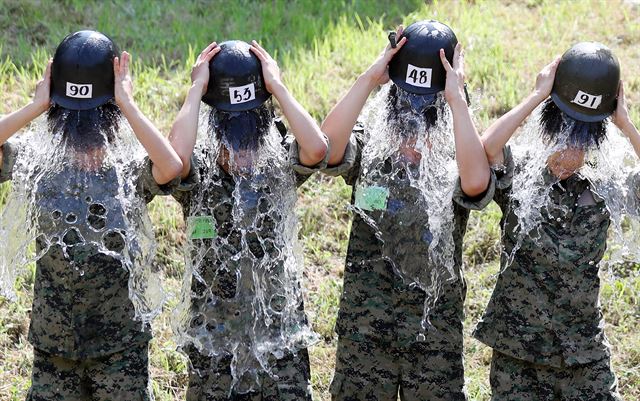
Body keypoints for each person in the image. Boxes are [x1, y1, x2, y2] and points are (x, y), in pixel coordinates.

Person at [0, 30, 183, 400]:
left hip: (120, 347)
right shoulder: (36, 160)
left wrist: (129, 104)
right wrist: (35, 106)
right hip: (55, 347)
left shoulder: (128, 167)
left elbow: (172, 166)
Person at [320, 20, 493, 400]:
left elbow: (477, 183)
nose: (413, 126)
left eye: (427, 111)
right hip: (366, 328)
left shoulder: (456, 156)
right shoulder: (372, 148)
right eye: (403, 105)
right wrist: (370, 78)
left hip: (433, 333)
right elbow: (326, 149)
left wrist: (456, 99)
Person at [168, 39, 328, 400]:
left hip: (279, 339)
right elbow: (175, 161)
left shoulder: (278, 162)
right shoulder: (199, 174)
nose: (243, 152)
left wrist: (277, 88)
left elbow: (317, 149)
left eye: (250, 136)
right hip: (214, 345)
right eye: (232, 138)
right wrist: (196, 90)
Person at [474, 41, 634, 401]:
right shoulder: (521, 173)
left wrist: (624, 123)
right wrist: (536, 96)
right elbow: (487, 147)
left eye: (581, 144)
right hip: (519, 353)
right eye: (563, 140)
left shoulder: (604, 186)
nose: (570, 154)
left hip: (582, 351)